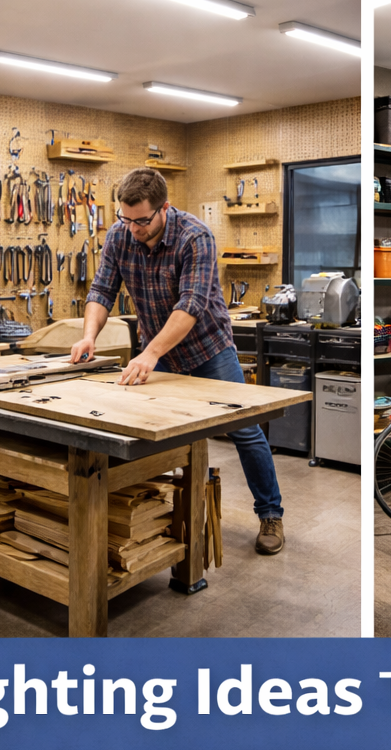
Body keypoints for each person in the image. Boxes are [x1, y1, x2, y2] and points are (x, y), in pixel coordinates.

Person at [69, 168, 286, 555]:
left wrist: (150, 352)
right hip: (159, 353)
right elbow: (102, 289)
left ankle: (270, 513)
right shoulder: (121, 235)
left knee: (245, 431)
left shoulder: (194, 236)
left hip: (208, 350)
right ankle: (159, 515)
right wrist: (89, 335)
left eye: (141, 220)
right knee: (152, 432)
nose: (133, 228)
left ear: (163, 209)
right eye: (126, 218)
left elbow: (192, 304)